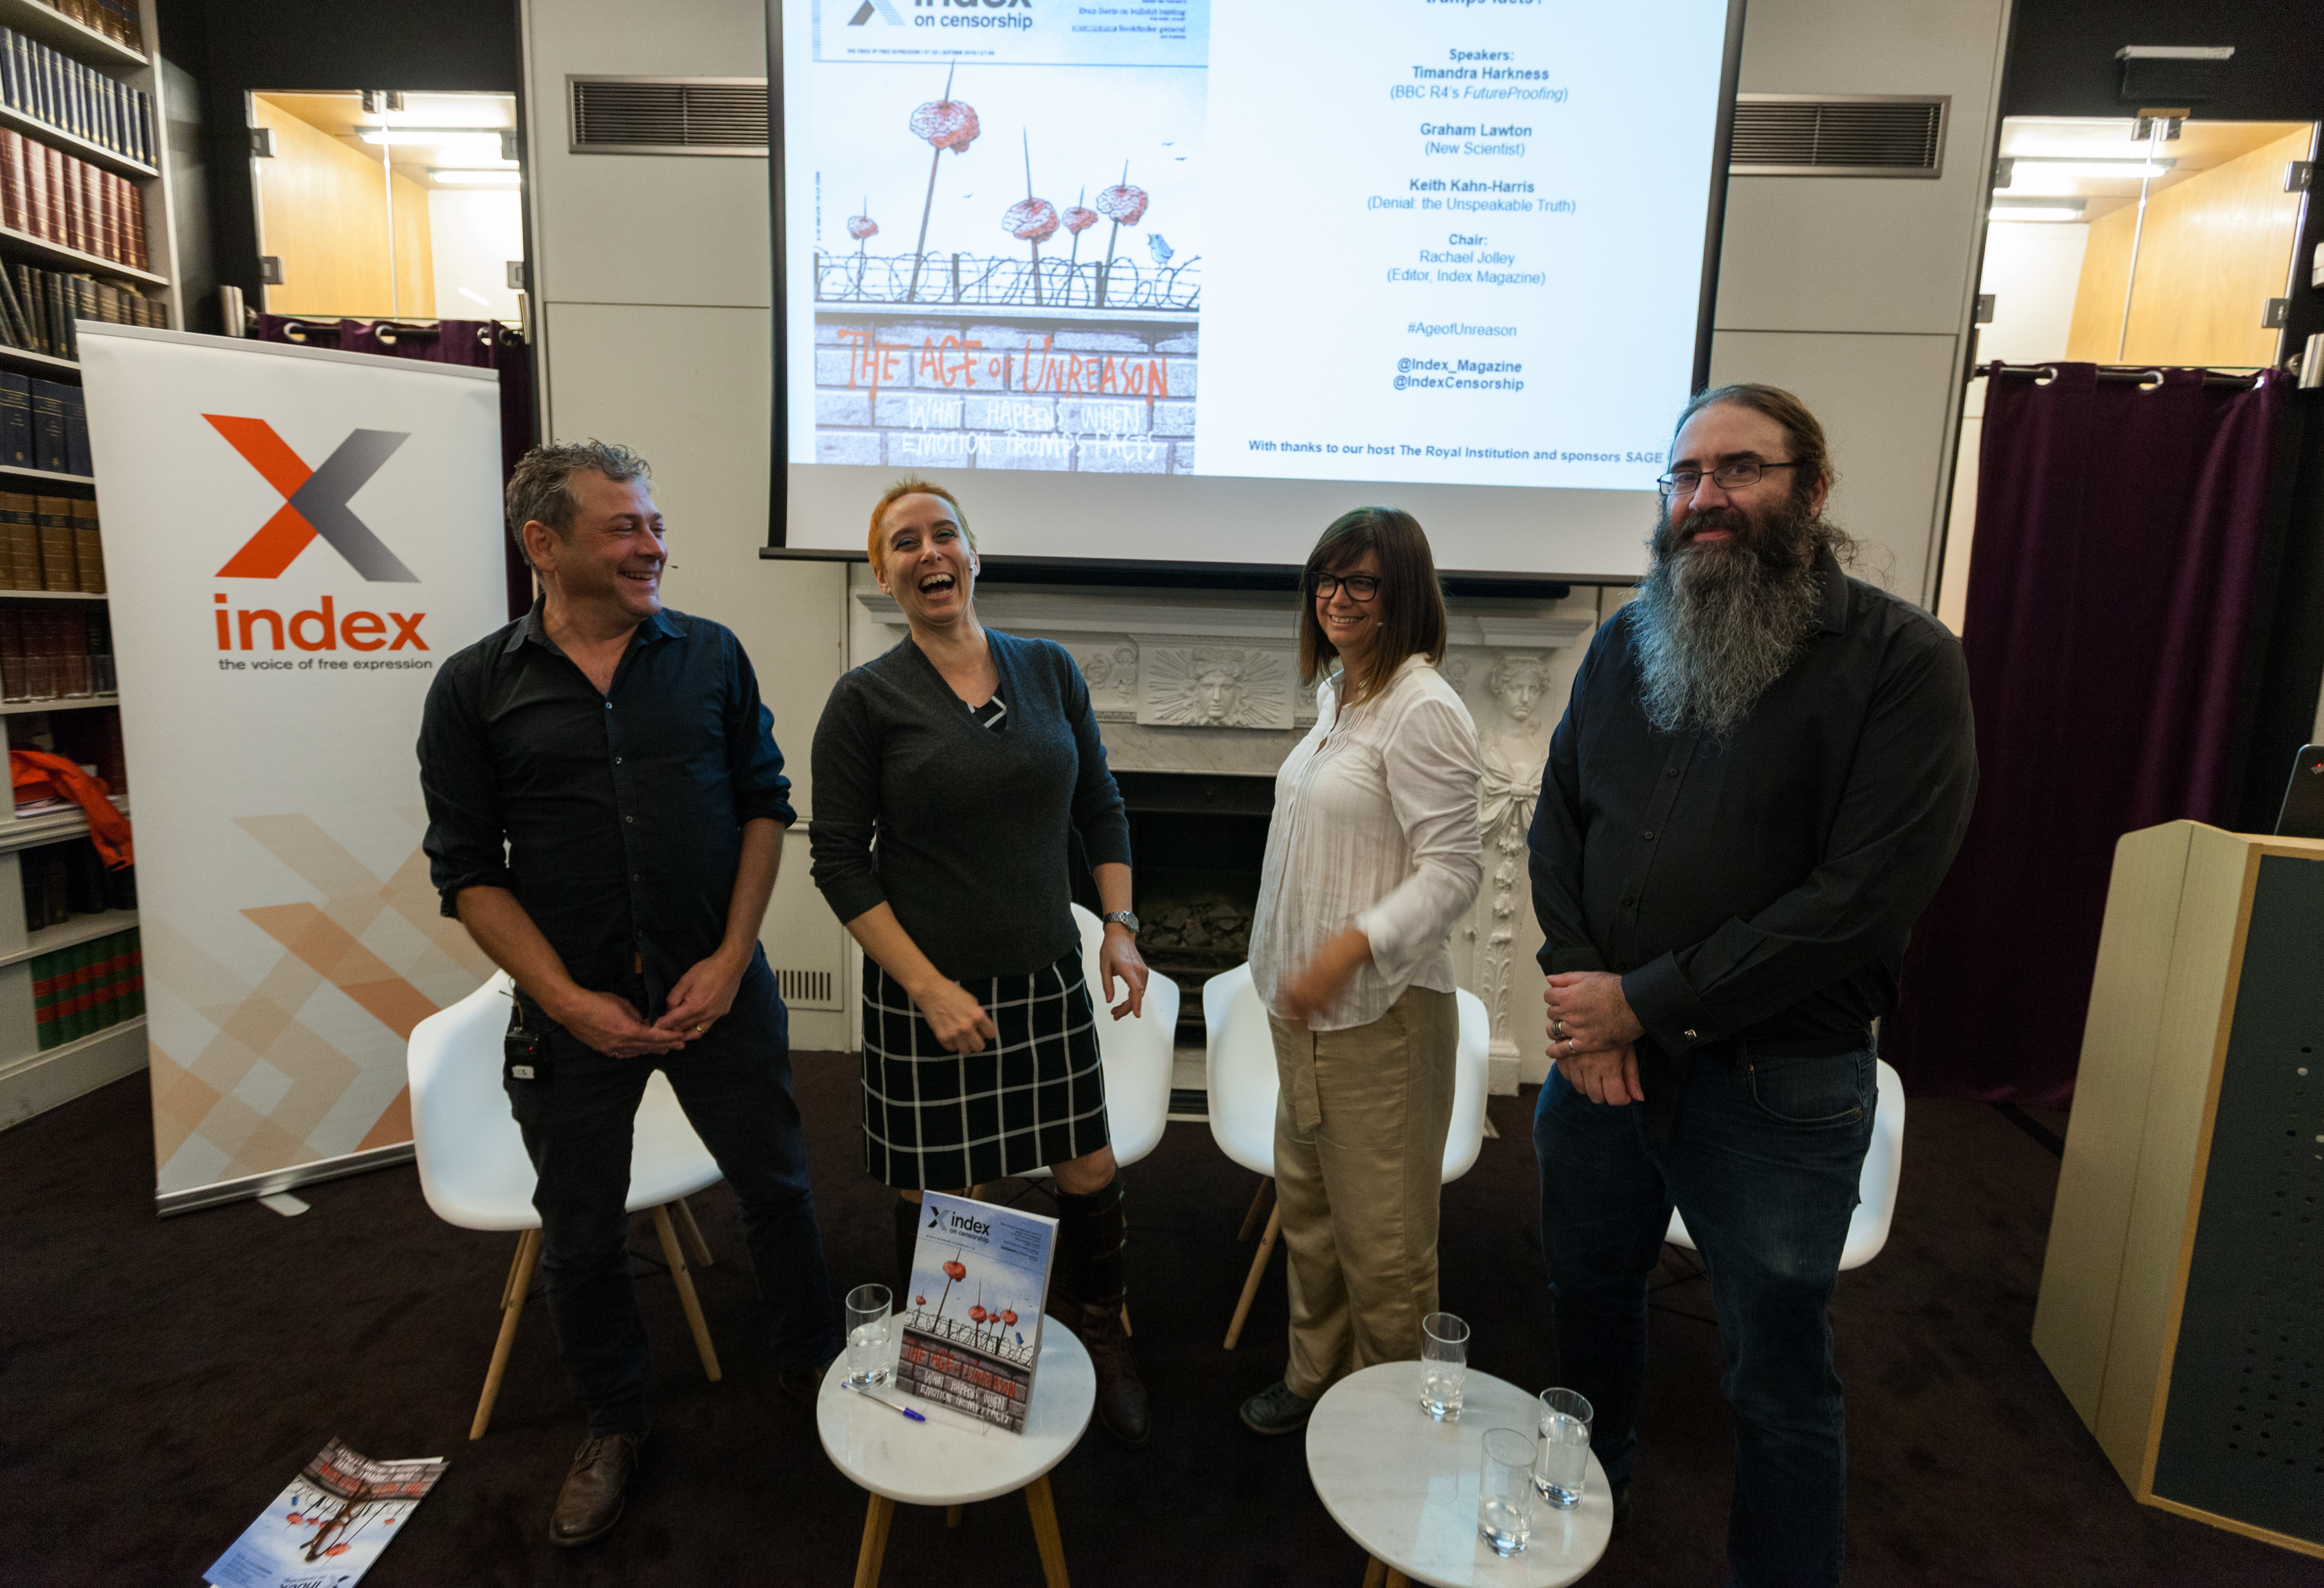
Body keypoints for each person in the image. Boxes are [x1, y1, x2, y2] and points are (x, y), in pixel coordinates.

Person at [1529, 384, 1976, 1585]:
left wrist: (1646, 999)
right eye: (1684, 478)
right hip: (1604, 1069)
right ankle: (1589, 1497)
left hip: (1776, 1093)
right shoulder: (1627, 643)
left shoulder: (1905, 665)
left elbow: (1860, 902)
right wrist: (1585, 1001)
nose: (1704, 500)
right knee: (1586, 1301)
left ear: (1812, 492)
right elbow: (1558, 825)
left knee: (1777, 1376)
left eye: (1740, 471)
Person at [419, 441, 839, 1548]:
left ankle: (813, 1367)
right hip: (575, 1015)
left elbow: (765, 806)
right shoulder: (473, 688)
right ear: (544, 546)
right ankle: (613, 1422)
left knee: (781, 1189)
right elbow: (466, 871)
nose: (654, 545)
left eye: (654, 523)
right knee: (581, 1235)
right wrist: (563, 999)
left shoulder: (710, 656)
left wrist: (735, 949)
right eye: (625, 527)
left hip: (719, 989)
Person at [808, 478, 1155, 1446]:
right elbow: (836, 858)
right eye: (904, 543)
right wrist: (927, 987)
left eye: (944, 534)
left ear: (973, 553)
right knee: (944, 1192)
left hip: (1046, 975)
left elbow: (1102, 808)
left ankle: (1101, 1326)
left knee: (1086, 1164)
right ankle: (959, 1359)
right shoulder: (866, 699)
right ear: (883, 575)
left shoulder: (1047, 669)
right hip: (929, 995)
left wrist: (1119, 925)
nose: (930, 554)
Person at [1238, 507, 1483, 1437]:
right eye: (1326, 580)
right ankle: (1315, 1381)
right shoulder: (1340, 694)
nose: (1337, 597)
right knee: (1308, 1216)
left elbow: (1455, 870)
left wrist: (1348, 946)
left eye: (1362, 582)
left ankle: (1389, 1431)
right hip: (1302, 1014)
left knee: (1385, 1252)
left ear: (1402, 594)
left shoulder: (1425, 708)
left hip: (1383, 1017)